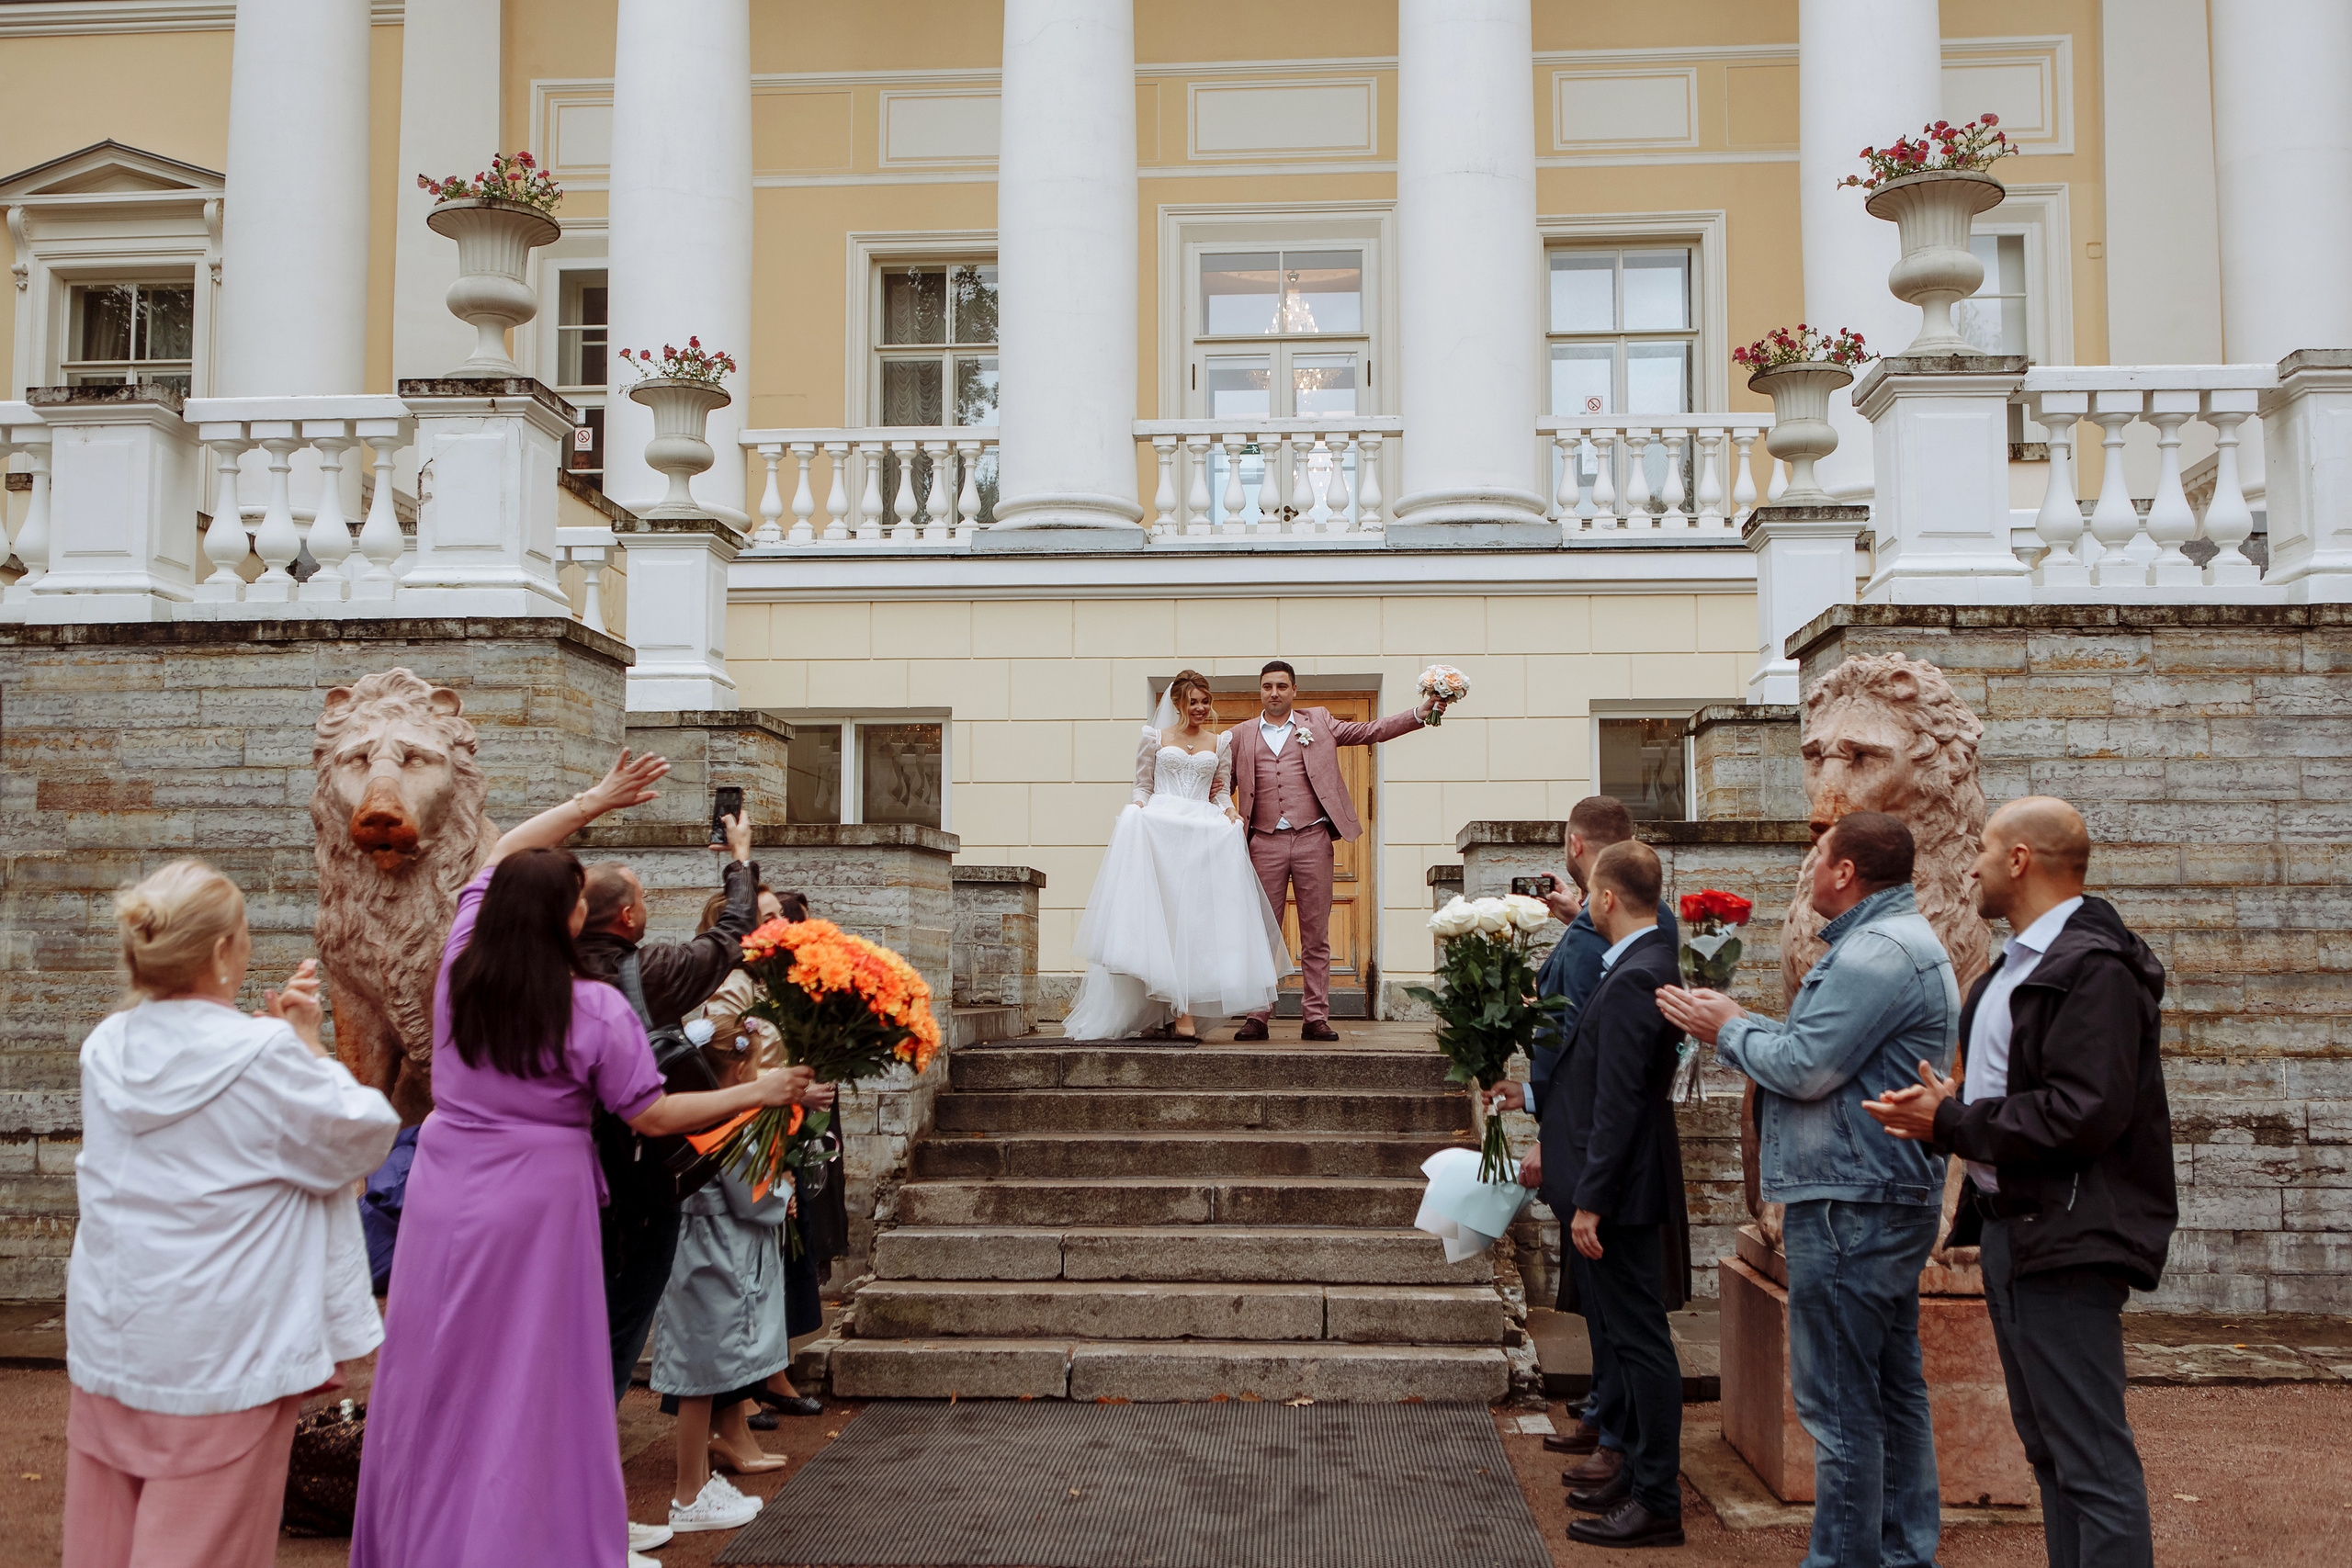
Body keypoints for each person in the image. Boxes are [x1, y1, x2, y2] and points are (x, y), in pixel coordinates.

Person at [349, 750, 815, 1568]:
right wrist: (761, 1092)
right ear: (564, 921)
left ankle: (423, 1539)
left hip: (447, 1182)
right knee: (535, 1383)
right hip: (538, 1200)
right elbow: (655, 1110)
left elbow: (496, 859)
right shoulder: (592, 1008)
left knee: (439, 1369)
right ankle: (525, 1539)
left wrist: (592, 800)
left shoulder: (460, 965)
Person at [1865, 796, 2175, 1568]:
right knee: (2050, 1452)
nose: (1969, 863)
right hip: (2014, 1230)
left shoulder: (2094, 970)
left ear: (2021, 859)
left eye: (1983, 848)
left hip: (2068, 1237)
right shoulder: (2013, 966)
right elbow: (2012, 1094)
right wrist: (1946, 1106)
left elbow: (2084, 1112)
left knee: (2091, 1459)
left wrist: (1953, 1122)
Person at [65, 861, 400, 1568]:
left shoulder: (107, 1046)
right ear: (223, 951)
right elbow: (361, 1131)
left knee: (104, 1543)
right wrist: (305, 1042)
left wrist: (277, 1045)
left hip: (117, 1330)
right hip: (223, 1346)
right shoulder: (263, 1056)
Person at [1657, 811, 1960, 1568]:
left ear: (1847, 873)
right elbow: (1823, 1053)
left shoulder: (1877, 951)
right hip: (1874, 1191)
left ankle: (1847, 1558)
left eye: (1817, 855)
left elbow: (1803, 1066)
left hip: (1853, 1201)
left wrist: (1726, 1025)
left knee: (1839, 1403)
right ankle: (1897, 1552)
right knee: (1891, 1389)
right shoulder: (1891, 942)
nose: (1809, 867)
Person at [1494, 840, 1685, 1550]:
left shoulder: (1640, 973)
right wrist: (1533, 1090)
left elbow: (1622, 1103)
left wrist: (1592, 1201)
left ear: (1605, 898)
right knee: (1623, 1339)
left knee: (1640, 1344)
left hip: (1623, 1194)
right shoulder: (1635, 963)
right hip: (1612, 1183)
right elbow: (1592, 1074)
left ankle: (1657, 1494)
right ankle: (1634, 1469)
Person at [577, 809, 765, 1413]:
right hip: (631, 1180)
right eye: (643, 897)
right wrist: (738, 859)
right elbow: (730, 934)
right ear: (628, 916)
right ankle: (585, 1462)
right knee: (619, 1324)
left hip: (549, 1174)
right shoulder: (643, 972)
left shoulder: (531, 972)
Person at [1064, 669, 1292, 1041]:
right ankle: (1163, 1013)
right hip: (1162, 832)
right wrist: (1136, 809)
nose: (1201, 708)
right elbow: (1143, 784)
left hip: (1200, 835)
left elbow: (1219, 791)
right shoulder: (1154, 737)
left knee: (1194, 924)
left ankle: (1182, 1011)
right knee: (1162, 921)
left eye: (1205, 702)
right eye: (1193, 702)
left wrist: (1232, 814)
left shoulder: (1220, 743)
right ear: (1177, 704)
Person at [1228, 661, 1443, 1042]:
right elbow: (1217, 787)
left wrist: (1418, 714)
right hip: (1263, 842)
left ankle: (1315, 1016)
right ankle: (1257, 1014)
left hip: (1313, 838)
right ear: (1259, 691)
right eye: (1267, 686)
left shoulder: (1320, 721)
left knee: (1316, 932)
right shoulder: (1241, 736)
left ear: (1294, 690)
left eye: (1281, 686)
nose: (1274, 692)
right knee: (1261, 932)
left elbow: (1370, 731)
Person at [650, 1021, 794, 1536]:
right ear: (734, 1073)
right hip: (710, 1254)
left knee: (704, 1370)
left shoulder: (710, 1114)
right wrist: (784, 1187)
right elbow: (753, 1194)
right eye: (755, 1069)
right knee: (699, 1372)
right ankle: (689, 1494)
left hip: (707, 1250)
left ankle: (697, 1483)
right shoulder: (725, 1122)